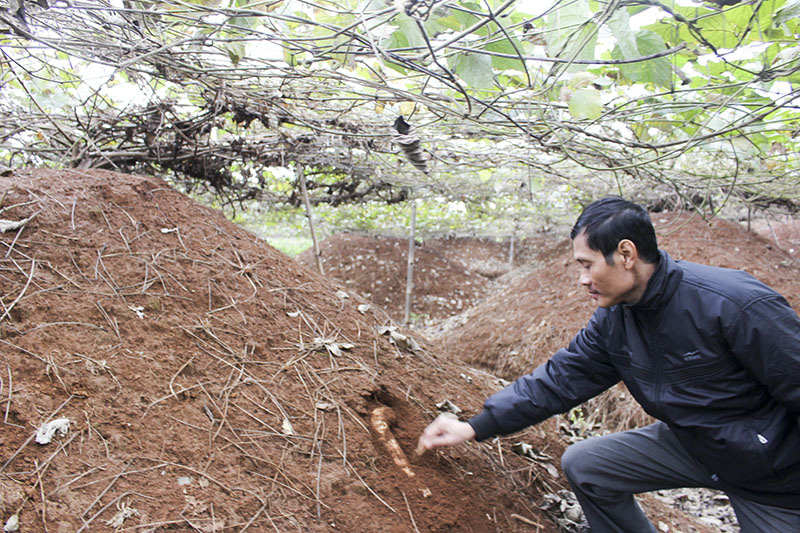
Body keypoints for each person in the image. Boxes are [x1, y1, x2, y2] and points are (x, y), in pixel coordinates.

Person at [417, 197, 800, 532]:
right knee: (587, 465)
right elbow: (559, 380)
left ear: (627, 255)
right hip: (695, 443)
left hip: (772, 474)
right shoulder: (615, 319)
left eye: (587, 265)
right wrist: (474, 426)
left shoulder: (733, 304)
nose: (582, 280)